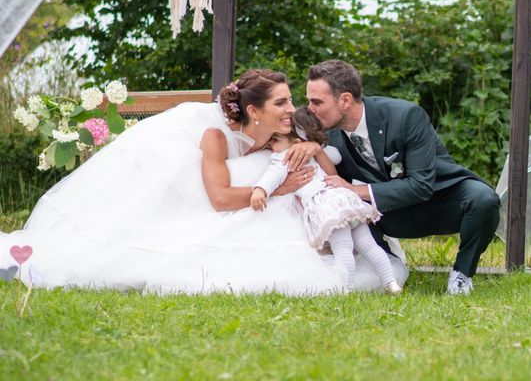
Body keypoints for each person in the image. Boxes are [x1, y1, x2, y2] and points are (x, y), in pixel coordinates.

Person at [0, 69, 408, 295]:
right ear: (254, 110)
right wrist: (277, 189)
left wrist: (308, 153)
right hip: (182, 194)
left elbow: (318, 159)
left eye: (290, 101)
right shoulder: (214, 136)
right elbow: (218, 198)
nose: (292, 109)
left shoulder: (281, 135)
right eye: (282, 103)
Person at [306, 60, 500, 295]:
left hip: (438, 198)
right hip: (386, 215)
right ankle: (387, 266)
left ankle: (462, 275)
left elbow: (421, 185)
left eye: (316, 102)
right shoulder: (326, 136)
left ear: (345, 100)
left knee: (484, 199)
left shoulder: (406, 116)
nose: (310, 109)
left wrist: (356, 190)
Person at [250, 107, 402, 294]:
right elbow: (336, 156)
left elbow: (273, 175)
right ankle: (391, 283)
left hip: (327, 207)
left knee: (343, 247)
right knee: (368, 245)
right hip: (344, 201)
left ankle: (346, 289)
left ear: (296, 141)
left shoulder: (285, 157)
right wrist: (316, 146)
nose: (270, 146)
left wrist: (260, 190)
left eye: (274, 140)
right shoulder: (313, 153)